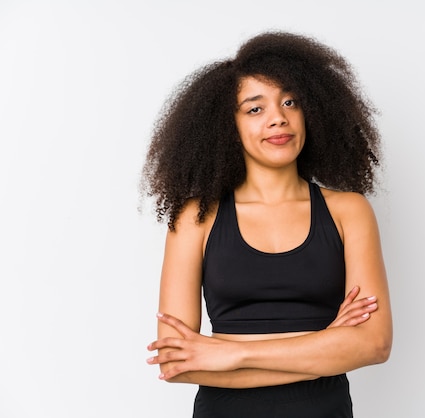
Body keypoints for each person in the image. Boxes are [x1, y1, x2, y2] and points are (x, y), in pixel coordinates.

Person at [141, 30, 392, 418]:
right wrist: (325, 345)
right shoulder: (196, 218)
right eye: (255, 109)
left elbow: (374, 344)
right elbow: (177, 364)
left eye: (290, 102)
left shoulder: (349, 211)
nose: (279, 118)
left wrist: (231, 353)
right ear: (229, 126)